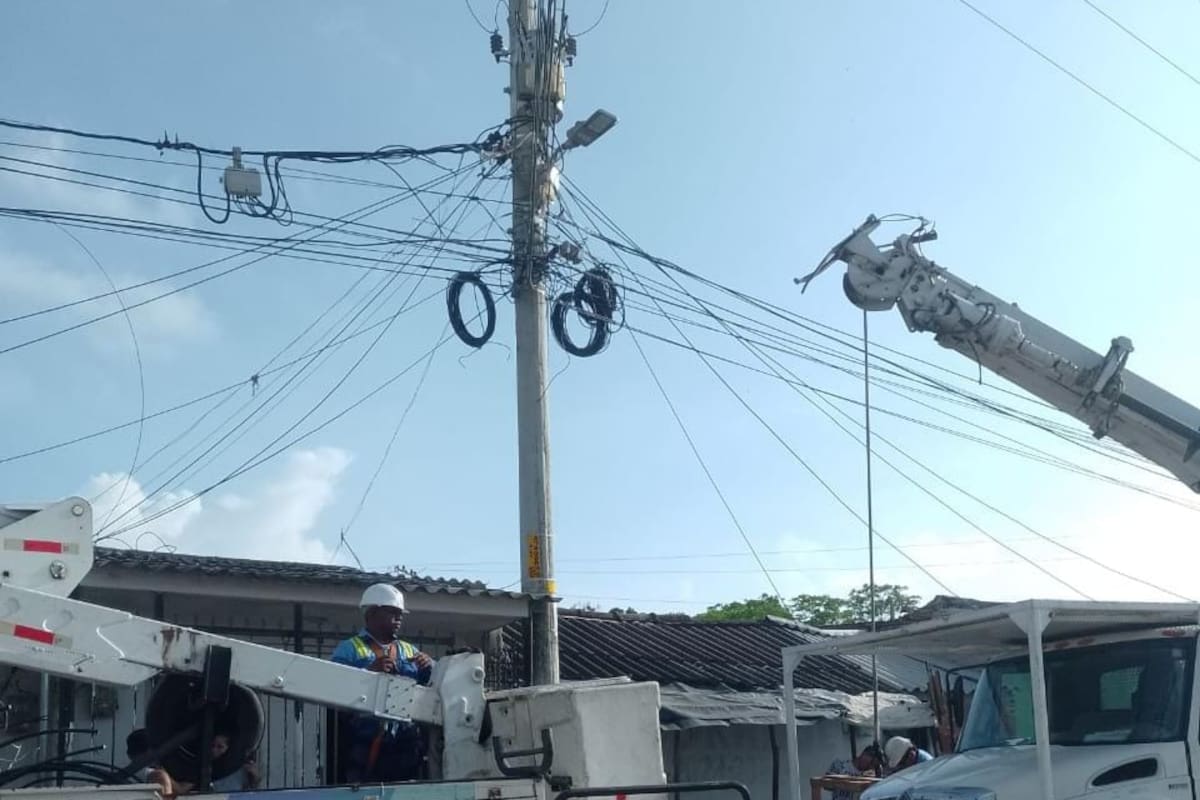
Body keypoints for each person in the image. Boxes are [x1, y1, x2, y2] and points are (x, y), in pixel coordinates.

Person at [331, 583, 435, 783]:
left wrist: (429, 666)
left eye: (401, 614)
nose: (399, 619)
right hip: (363, 741)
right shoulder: (349, 649)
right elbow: (334, 686)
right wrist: (369, 672)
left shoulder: (409, 650)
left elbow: (431, 687)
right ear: (372, 613)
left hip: (404, 741)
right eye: (392, 613)